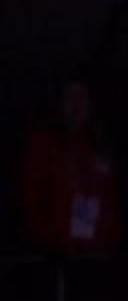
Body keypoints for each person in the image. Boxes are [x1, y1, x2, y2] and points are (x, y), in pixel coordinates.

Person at [19, 79, 122, 253]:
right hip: (56, 248)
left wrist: (110, 239)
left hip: (97, 248)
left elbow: (110, 197)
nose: (77, 104)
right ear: (61, 103)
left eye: (82, 96)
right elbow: (32, 196)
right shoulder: (44, 144)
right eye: (71, 96)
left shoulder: (101, 145)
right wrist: (45, 239)